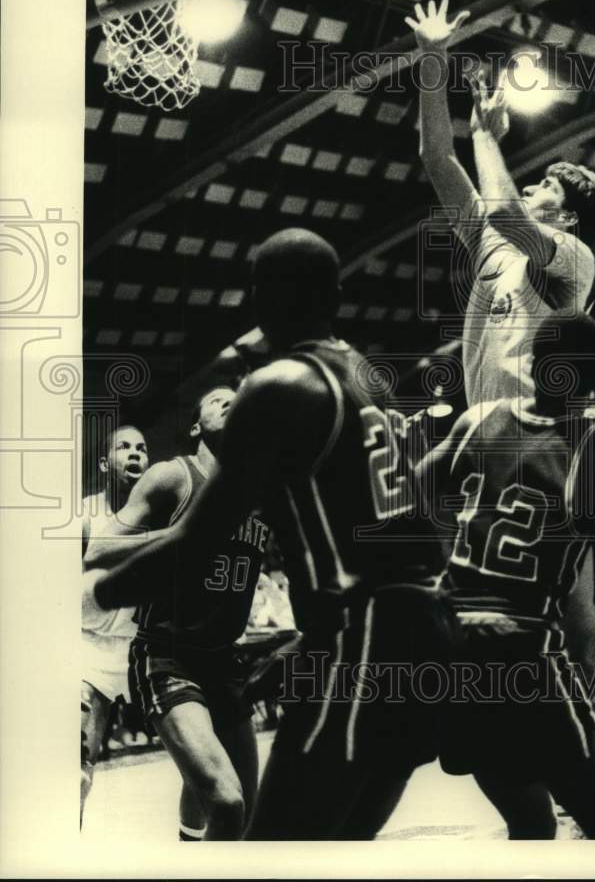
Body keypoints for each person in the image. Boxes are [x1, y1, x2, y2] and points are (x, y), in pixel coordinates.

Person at [408, 0, 595, 836]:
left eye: (543, 185)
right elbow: (433, 159)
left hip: (548, 434)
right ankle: (539, 784)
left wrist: (491, 134)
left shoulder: (568, 256)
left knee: (584, 624)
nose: (529, 186)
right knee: (512, 626)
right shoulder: (498, 241)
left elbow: (501, 207)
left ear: (562, 208)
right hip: (489, 436)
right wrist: (434, 64)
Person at [83, 228, 458, 840]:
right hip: (429, 637)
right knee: (332, 847)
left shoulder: (282, 384)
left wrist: (97, 591)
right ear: (337, 294)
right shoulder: (369, 377)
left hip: (360, 641)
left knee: (270, 848)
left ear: (259, 297)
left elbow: (193, 544)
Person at [419, 312, 595, 838]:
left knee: (530, 826)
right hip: (524, 656)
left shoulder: (475, 419)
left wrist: (449, 561)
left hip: (453, 657)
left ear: (532, 363)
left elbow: (404, 499)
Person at [84, 385, 268, 841]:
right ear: (194, 425)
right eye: (215, 400)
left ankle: (188, 851)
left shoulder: (261, 492)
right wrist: (183, 536)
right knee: (227, 801)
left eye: (238, 398)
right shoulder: (174, 476)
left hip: (226, 661)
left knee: (243, 808)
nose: (230, 402)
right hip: (169, 655)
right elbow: (100, 549)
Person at [81, 424, 149, 826]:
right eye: (124, 447)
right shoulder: (85, 517)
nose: (135, 453)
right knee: (74, 769)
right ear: (106, 463)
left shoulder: (167, 513)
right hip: (89, 649)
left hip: (145, 650)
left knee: (202, 766)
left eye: (142, 447)